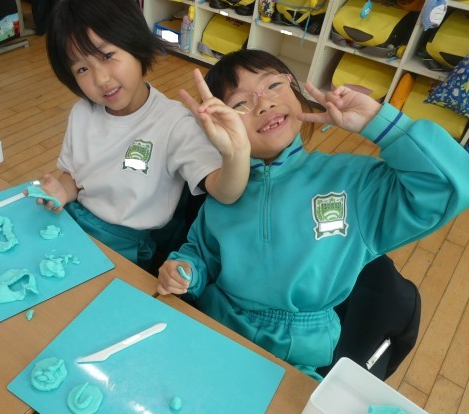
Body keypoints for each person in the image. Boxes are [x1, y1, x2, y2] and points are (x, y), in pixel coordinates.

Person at [157, 49, 469, 380]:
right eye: (240, 104)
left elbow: (448, 187)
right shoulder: (226, 189)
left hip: (297, 356)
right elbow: (201, 254)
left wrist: (381, 124)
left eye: (273, 85)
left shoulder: (352, 181)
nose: (264, 104)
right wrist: (184, 270)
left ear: (295, 89)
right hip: (215, 328)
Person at [32, 0, 250, 270]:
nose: (101, 79)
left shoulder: (175, 123)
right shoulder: (82, 113)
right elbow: (73, 178)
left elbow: (226, 193)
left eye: (107, 55)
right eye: (82, 69)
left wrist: (235, 152)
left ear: (134, 42)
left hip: (128, 246)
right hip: (77, 220)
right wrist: (61, 191)